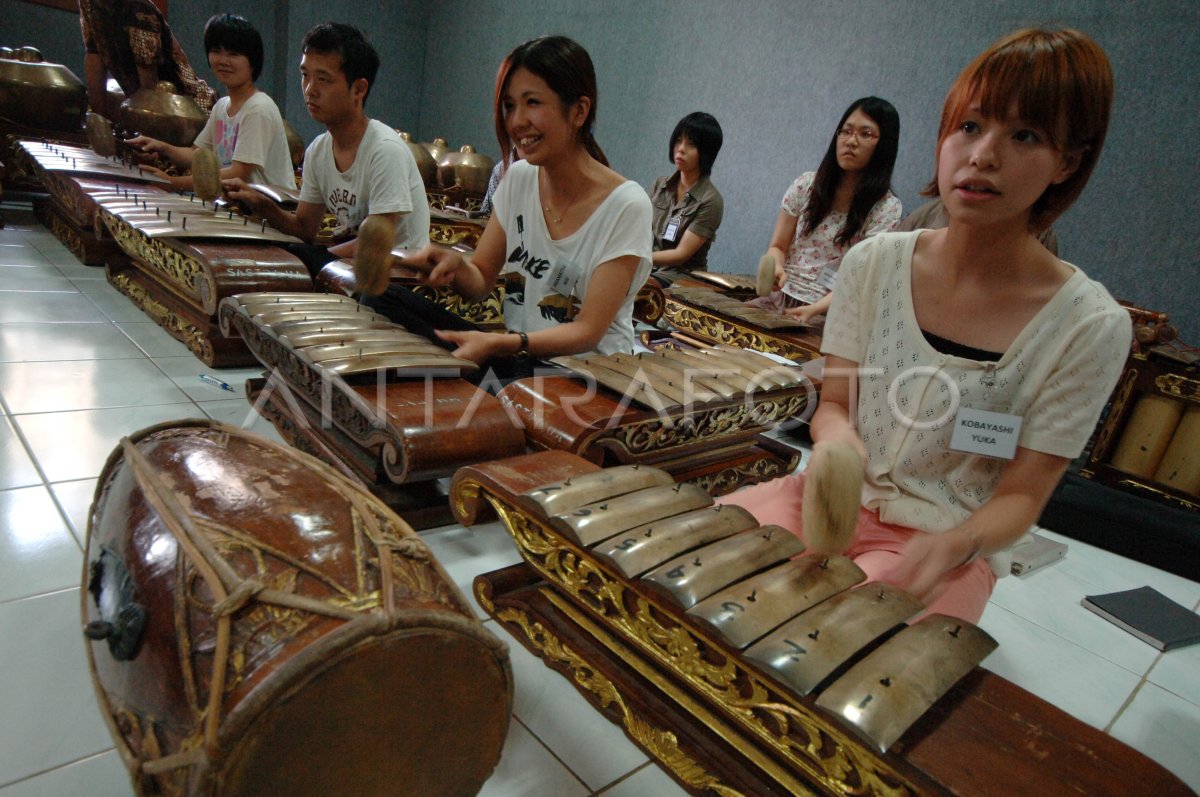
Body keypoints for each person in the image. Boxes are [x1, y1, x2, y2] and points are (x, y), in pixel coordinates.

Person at [718, 28, 1129, 624]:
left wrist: (958, 545)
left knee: (836, 641)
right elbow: (836, 404)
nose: (983, 155)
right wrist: (836, 444)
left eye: (1024, 135)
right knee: (704, 576)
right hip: (827, 501)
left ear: (1068, 162)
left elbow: (1021, 496)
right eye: (970, 126)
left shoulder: (1089, 326)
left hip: (945, 541)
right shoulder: (875, 262)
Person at [366, 35, 652, 374]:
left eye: (532, 103)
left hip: (580, 376)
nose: (516, 122)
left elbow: (589, 331)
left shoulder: (627, 205)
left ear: (579, 111)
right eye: (510, 106)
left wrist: (504, 344)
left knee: (433, 376)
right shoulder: (518, 178)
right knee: (378, 298)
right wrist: (454, 265)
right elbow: (481, 278)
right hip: (519, 355)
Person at [224, 22, 428, 278]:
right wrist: (262, 205)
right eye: (304, 75)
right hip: (347, 267)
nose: (310, 89)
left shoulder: (385, 150)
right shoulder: (318, 150)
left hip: (395, 276)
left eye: (323, 79)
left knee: (292, 264)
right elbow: (305, 228)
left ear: (359, 89)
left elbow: (378, 243)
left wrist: (320, 258)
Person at [749, 97, 901, 325]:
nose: (851, 141)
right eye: (846, 131)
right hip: (778, 298)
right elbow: (778, 246)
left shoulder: (887, 209)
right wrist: (777, 268)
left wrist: (813, 311)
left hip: (830, 313)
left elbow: (861, 282)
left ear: (884, 144)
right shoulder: (805, 185)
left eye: (865, 134)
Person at [126, 14, 296, 193]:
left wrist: (171, 182)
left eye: (233, 54)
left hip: (265, 214)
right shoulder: (221, 106)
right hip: (234, 206)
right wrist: (161, 146)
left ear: (253, 61)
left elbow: (238, 173)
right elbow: (195, 154)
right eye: (216, 51)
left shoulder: (259, 108)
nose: (223, 61)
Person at [79, 0, 215, 119]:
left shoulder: (138, 8)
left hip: (191, 111)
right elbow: (93, 54)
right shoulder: (89, 3)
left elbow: (149, 88)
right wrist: (98, 120)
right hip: (148, 106)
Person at [648, 112, 724, 286]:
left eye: (691, 144)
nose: (681, 149)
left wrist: (637, 258)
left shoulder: (711, 200)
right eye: (678, 141)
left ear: (706, 152)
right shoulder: (660, 185)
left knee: (635, 284)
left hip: (682, 277)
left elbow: (680, 255)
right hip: (649, 267)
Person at [897, 196, 1058, 255]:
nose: (981, 158)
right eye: (969, 128)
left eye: (1022, 137)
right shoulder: (923, 218)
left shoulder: (1039, 236)